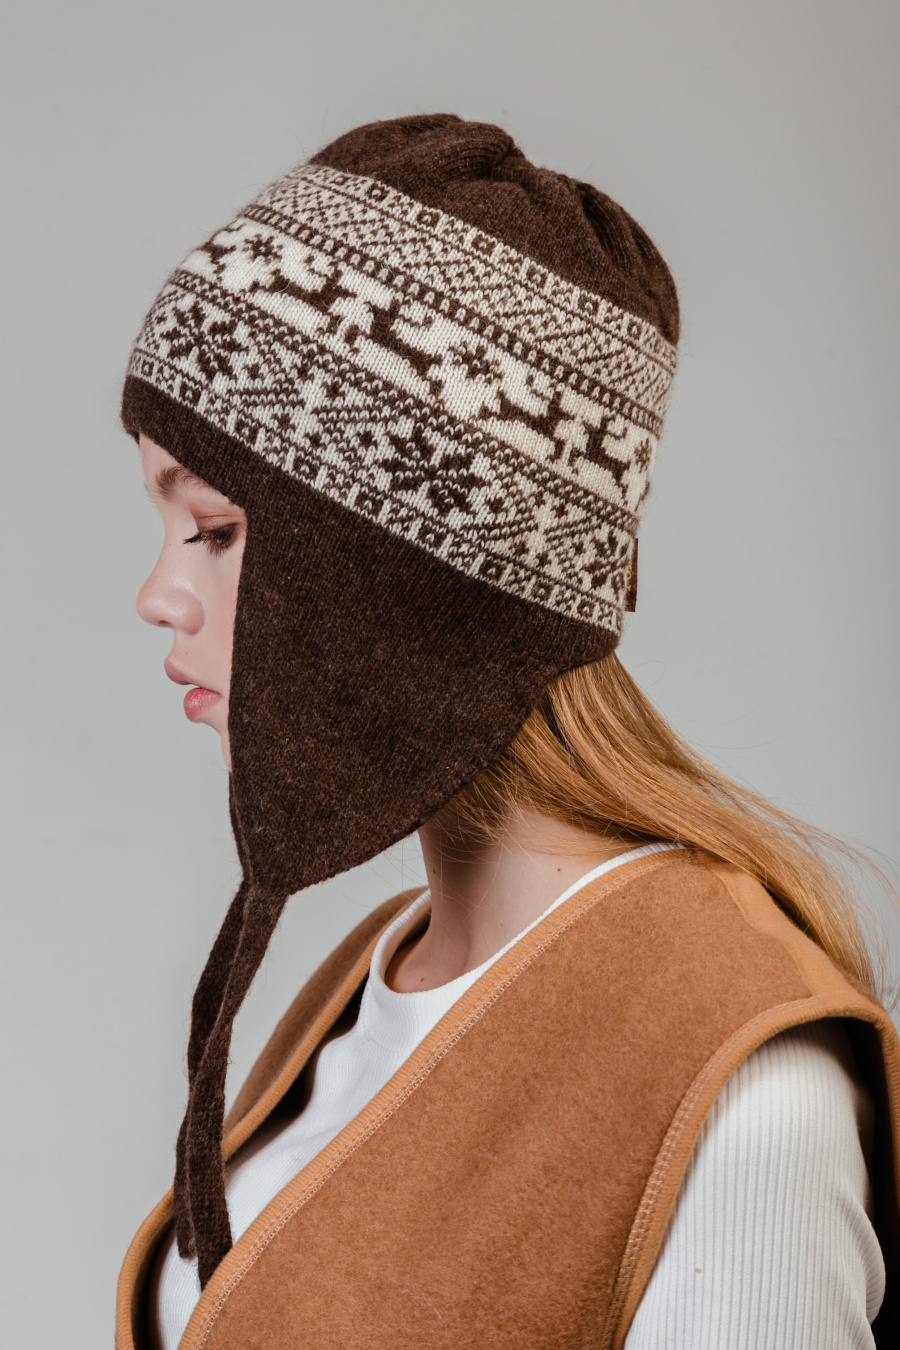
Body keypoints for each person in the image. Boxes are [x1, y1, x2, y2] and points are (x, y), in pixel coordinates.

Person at [116, 115, 900, 1349]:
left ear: (409, 570)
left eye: (215, 529)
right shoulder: (376, 974)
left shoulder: (735, 1070)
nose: (158, 594)